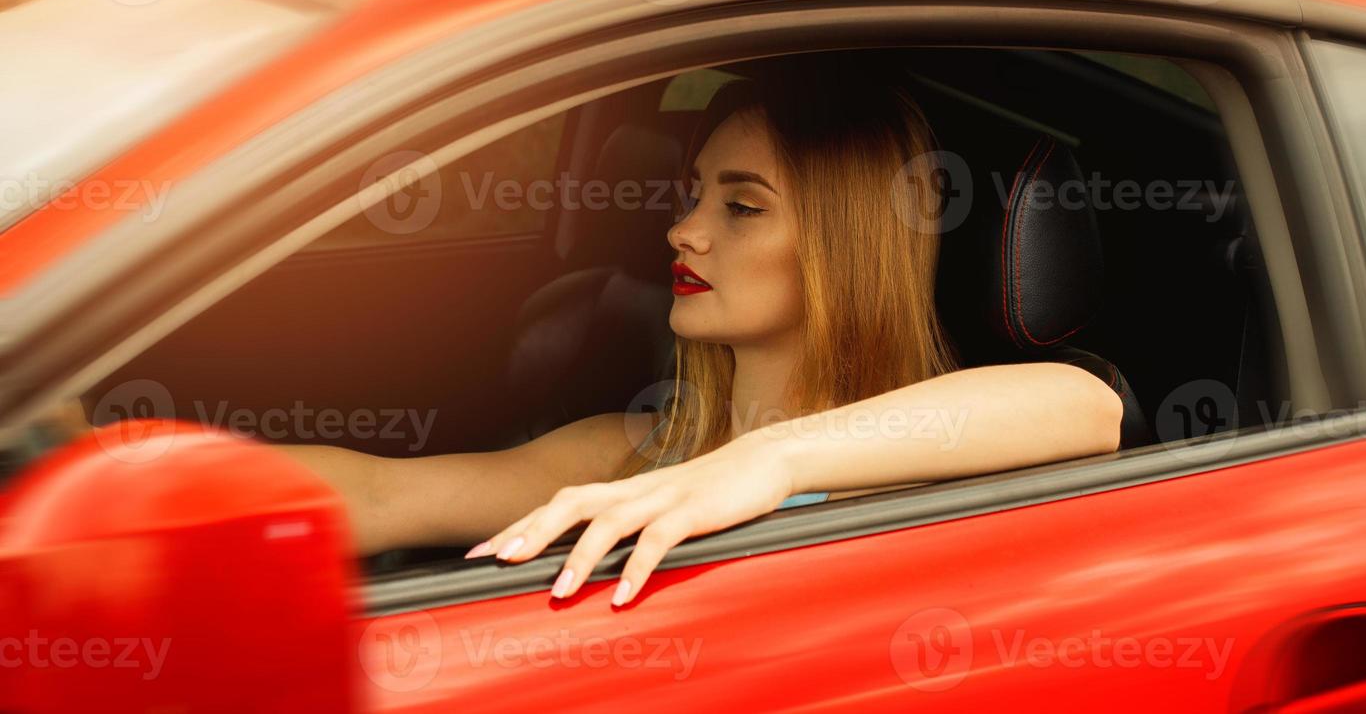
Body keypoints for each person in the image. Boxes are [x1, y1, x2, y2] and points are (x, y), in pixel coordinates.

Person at [283, 65, 1123, 606]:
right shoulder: (638, 455)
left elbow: (1087, 406)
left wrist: (766, 460)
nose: (684, 231)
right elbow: (380, 496)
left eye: (741, 207)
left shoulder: (933, 447)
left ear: (844, 249)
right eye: (693, 197)